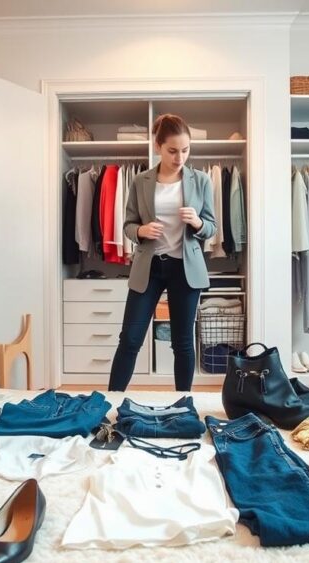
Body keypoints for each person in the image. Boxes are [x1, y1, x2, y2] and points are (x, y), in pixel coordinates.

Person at [107, 114, 216, 391]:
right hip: (150, 268)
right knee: (130, 338)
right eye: (172, 150)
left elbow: (211, 228)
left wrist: (198, 222)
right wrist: (141, 232)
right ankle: (109, 402)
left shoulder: (201, 181)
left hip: (185, 268)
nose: (180, 157)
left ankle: (184, 404)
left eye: (185, 150)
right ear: (157, 146)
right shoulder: (141, 180)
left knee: (182, 342)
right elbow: (128, 225)